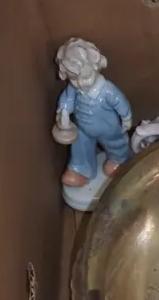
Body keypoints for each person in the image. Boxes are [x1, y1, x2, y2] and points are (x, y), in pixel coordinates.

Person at [54, 37, 132, 187]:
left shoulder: (107, 90)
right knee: (79, 146)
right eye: (75, 80)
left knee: (116, 144)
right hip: (83, 128)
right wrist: (63, 112)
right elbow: (67, 99)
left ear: (96, 67)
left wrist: (126, 118)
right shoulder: (74, 89)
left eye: (87, 77)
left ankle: (119, 161)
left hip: (108, 127)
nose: (82, 83)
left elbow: (120, 102)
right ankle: (81, 170)